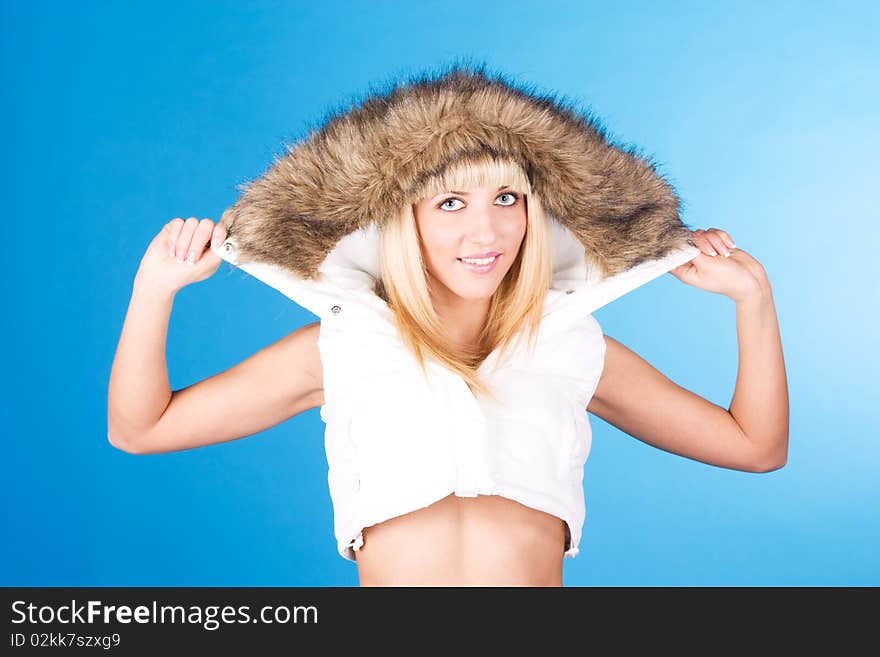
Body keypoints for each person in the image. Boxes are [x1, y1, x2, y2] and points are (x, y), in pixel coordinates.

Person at [107, 64, 789, 587]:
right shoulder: (343, 344)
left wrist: (752, 301)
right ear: (401, 220)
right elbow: (142, 429)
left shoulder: (571, 342)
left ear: (535, 212)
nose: (484, 230)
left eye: (507, 198)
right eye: (451, 202)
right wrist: (154, 289)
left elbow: (755, 446)